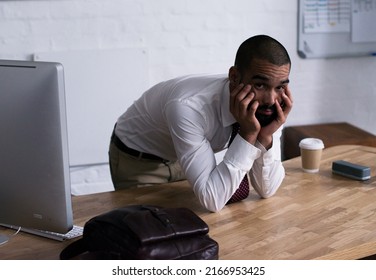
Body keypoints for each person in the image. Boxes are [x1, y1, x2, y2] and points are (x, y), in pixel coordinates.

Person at [109, 34, 293, 212]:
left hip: (180, 157)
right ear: (235, 77)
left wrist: (265, 136)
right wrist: (248, 134)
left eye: (280, 87)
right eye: (260, 85)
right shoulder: (188, 107)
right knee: (143, 234)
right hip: (138, 160)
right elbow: (212, 200)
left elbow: (266, 189)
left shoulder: (268, 107)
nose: (270, 99)